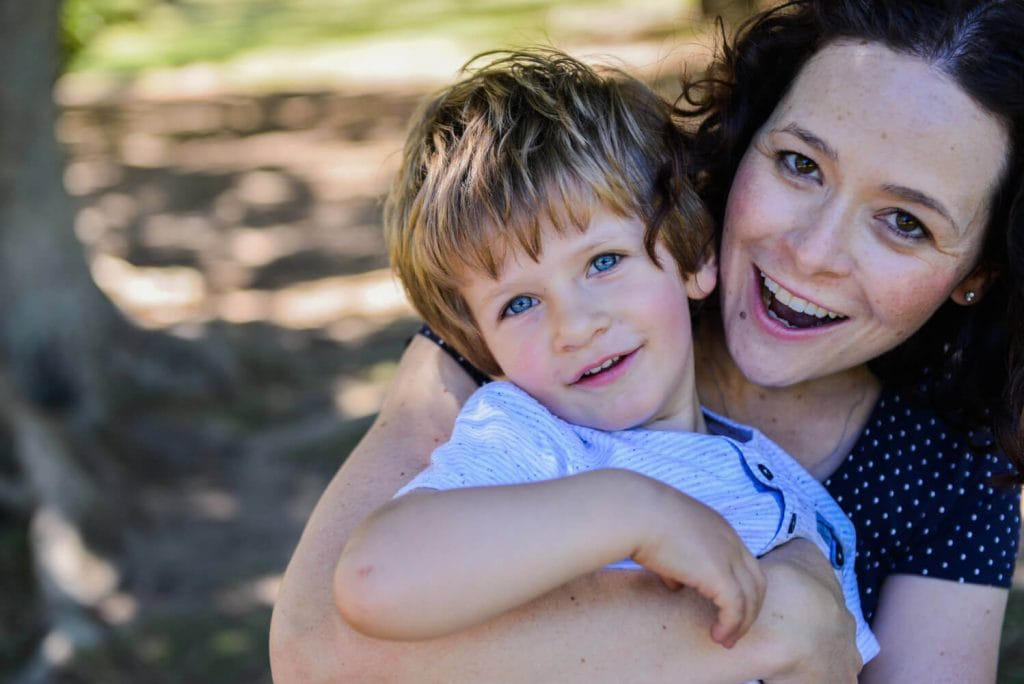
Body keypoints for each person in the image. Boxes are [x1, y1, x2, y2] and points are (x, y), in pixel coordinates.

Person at [270, 1, 1024, 682]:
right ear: (736, 149)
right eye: (800, 164)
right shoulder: (529, 396)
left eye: (906, 222)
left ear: (978, 272)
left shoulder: (812, 494)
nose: (814, 252)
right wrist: (644, 521)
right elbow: (329, 631)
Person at [332, 49, 878, 667]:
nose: (575, 326)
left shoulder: (800, 506)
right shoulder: (536, 444)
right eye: (518, 304)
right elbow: (375, 576)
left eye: (603, 262)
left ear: (694, 255)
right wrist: (631, 511)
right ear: (483, 347)